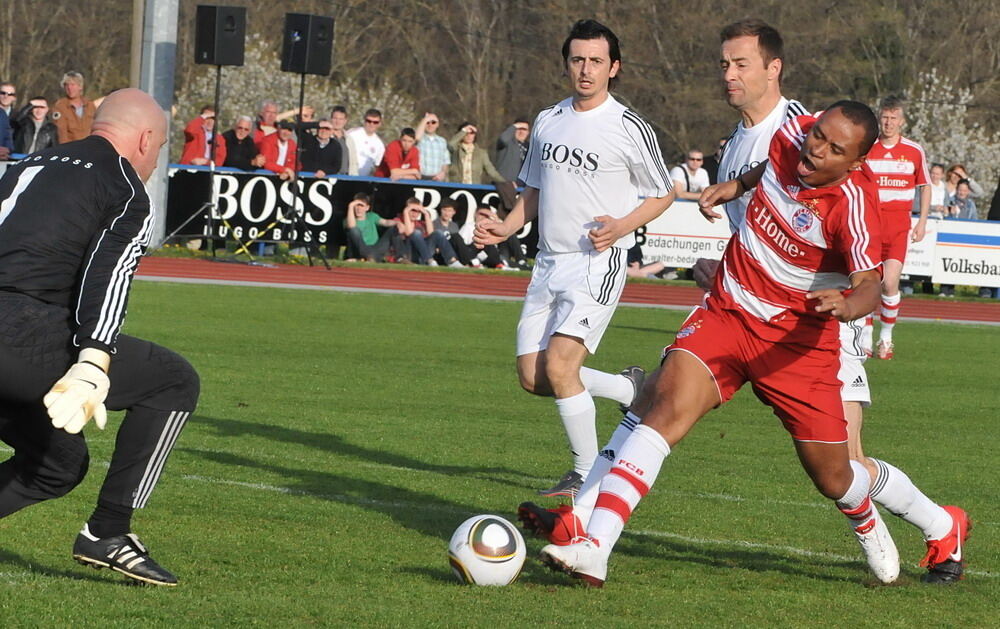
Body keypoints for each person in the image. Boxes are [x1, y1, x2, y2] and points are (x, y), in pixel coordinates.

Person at [527, 19, 968, 587]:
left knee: (838, 474)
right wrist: (735, 188)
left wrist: (848, 306)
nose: (817, 151)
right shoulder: (786, 136)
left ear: (854, 164)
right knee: (662, 406)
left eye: (834, 149)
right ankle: (591, 542)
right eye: (818, 137)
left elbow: (868, 281)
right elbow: (774, 164)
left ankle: (937, 523)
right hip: (731, 314)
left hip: (800, 342)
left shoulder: (850, 201)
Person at [0, 88, 200, 586]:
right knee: (174, 381)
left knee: (57, 465)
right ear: (145, 138)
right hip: (16, 331)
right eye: (159, 147)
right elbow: (105, 278)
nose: (155, 159)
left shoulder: (28, 165)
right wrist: (94, 360)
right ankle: (109, 531)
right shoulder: (125, 185)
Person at [475, 19, 674, 497]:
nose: (586, 70)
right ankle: (630, 391)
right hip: (548, 264)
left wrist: (622, 227)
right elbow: (536, 188)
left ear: (614, 68)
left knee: (562, 368)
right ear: (567, 64)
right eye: (578, 59)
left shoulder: (628, 127)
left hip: (595, 264)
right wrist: (506, 226)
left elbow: (664, 192)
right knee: (533, 376)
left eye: (596, 61)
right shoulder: (547, 120)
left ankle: (587, 474)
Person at [864, 96, 931, 360]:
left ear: (902, 121)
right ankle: (866, 339)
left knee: (889, 283)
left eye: (894, 118)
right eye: (885, 117)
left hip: (898, 226)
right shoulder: (868, 148)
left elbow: (925, 186)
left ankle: (886, 338)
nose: (889, 122)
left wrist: (922, 221)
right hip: (869, 225)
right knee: (868, 282)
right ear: (880, 118)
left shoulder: (914, 151)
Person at [395, 197, 462, 266]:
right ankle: (429, 260)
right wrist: (405, 212)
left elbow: (432, 234)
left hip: (423, 254)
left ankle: (452, 261)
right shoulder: (398, 220)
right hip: (409, 255)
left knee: (438, 233)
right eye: (412, 210)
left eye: (418, 211)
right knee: (416, 233)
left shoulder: (420, 223)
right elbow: (408, 233)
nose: (415, 214)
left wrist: (426, 214)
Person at [343, 192, 397, 262]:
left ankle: (401, 258)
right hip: (358, 250)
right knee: (354, 230)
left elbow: (386, 222)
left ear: (367, 208)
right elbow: (352, 227)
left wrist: (398, 223)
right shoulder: (348, 220)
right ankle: (366, 258)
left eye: (361, 206)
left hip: (374, 249)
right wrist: (350, 206)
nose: (358, 209)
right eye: (356, 206)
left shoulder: (372, 216)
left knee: (394, 229)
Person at [51, 71, 97, 144]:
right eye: (67, 85)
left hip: (90, 147)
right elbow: (61, 133)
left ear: (80, 86)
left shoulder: (90, 105)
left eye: (72, 85)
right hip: (71, 148)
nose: (69, 88)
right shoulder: (60, 106)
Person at [346, 108, 386, 177]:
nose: (371, 124)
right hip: (346, 176)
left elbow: (378, 167)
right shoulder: (352, 134)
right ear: (364, 121)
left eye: (375, 122)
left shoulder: (379, 145)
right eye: (369, 121)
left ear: (379, 124)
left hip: (364, 181)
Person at [415, 112, 450, 181]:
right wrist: (425, 119)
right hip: (420, 178)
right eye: (428, 122)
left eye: (433, 122)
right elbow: (416, 137)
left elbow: (445, 162)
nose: (430, 125)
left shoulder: (442, 141)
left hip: (436, 179)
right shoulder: (420, 139)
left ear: (438, 124)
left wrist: (443, 173)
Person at [329, 106, 352, 175]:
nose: (337, 122)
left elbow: (353, 163)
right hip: (329, 176)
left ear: (345, 121)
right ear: (331, 119)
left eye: (341, 119)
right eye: (335, 118)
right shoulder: (325, 137)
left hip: (346, 177)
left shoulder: (349, 139)